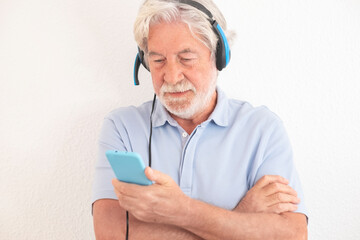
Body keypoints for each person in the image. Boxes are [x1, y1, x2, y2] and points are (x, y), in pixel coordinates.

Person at [92, 0, 308, 239]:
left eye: (186, 58)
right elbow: (111, 233)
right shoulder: (122, 127)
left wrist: (179, 211)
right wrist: (242, 214)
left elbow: (292, 234)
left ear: (219, 56)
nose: (172, 77)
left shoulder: (263, 128)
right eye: (158, 60)